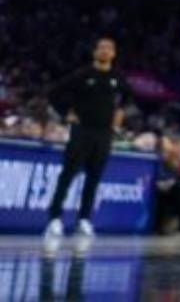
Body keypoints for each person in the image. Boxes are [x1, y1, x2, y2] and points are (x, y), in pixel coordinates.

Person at [42, 37, 126, 242]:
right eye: (102, 48)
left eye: (109, 48)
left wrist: (118, 121)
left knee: (94, 178)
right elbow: (53, 93)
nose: (105, 51)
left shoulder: (117, 78)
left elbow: (126, 101)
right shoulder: (83, 74)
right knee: (68, 175)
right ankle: (54, 218)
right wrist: (66, 114)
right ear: (95, 52)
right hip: (82, 131)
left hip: (104, 134)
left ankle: (84, 219)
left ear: (114, 54)